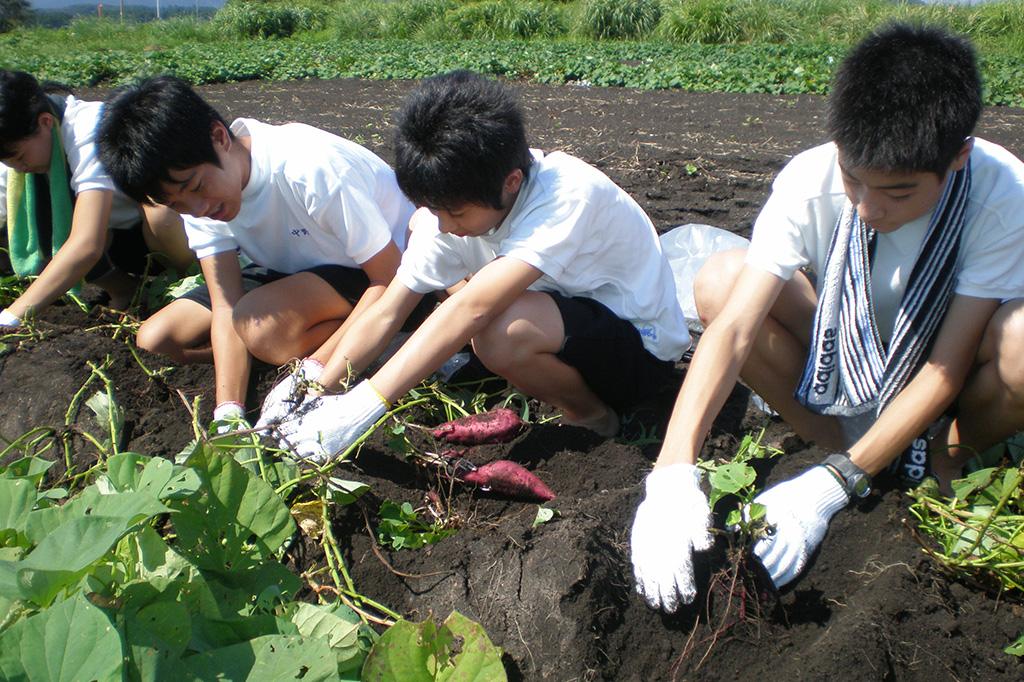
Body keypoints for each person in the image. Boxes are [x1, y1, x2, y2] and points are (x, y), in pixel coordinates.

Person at [630, 22, 1024, 613]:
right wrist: (671, 469)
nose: (867, 208)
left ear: (959, 157)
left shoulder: (1001, 195)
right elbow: (735, 328)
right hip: (848, 355)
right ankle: (832, 442)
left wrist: (829, 490)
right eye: (853, 181)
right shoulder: (810, 181)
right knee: (720, 280)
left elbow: (947, 366)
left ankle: (940, 461)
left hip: (944, 373)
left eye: (898, 193)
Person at [257, 69, 690, 461]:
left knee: (498, 330)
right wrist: (315, 387)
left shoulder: (568, 194)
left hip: (640, 351)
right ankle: (573, 396)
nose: (444, 226)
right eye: (433, 209)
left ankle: (597, 418)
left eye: (457, 214)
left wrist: (363, 407)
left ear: (511, 182)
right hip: (569, 329)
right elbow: (389, 309)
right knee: (486, 323)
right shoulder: (448, 214)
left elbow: (472, 308)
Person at [97, 75, 422, 429]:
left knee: (263, 331)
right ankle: (282, 350)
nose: (198, 208)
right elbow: (225, 305)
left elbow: (388, 275)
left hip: (383, 264)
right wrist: (229, 411)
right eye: (176, 203)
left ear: (219, 137)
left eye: (196, 187)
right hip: (293, 266)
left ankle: (372, 339)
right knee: (156, 339)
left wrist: (311, 378)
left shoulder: (307, 167)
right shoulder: (201, 201)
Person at [0, 70, 191, 328]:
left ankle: (190, 287)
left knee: (159, 212)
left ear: (45, 122)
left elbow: (87, 244)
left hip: (178, 231)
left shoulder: (89, 129)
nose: (19, 168)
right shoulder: (17, 157)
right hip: (124, 241)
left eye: (21, 158)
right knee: (43, 225)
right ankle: (127, 290)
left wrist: (13, 316)